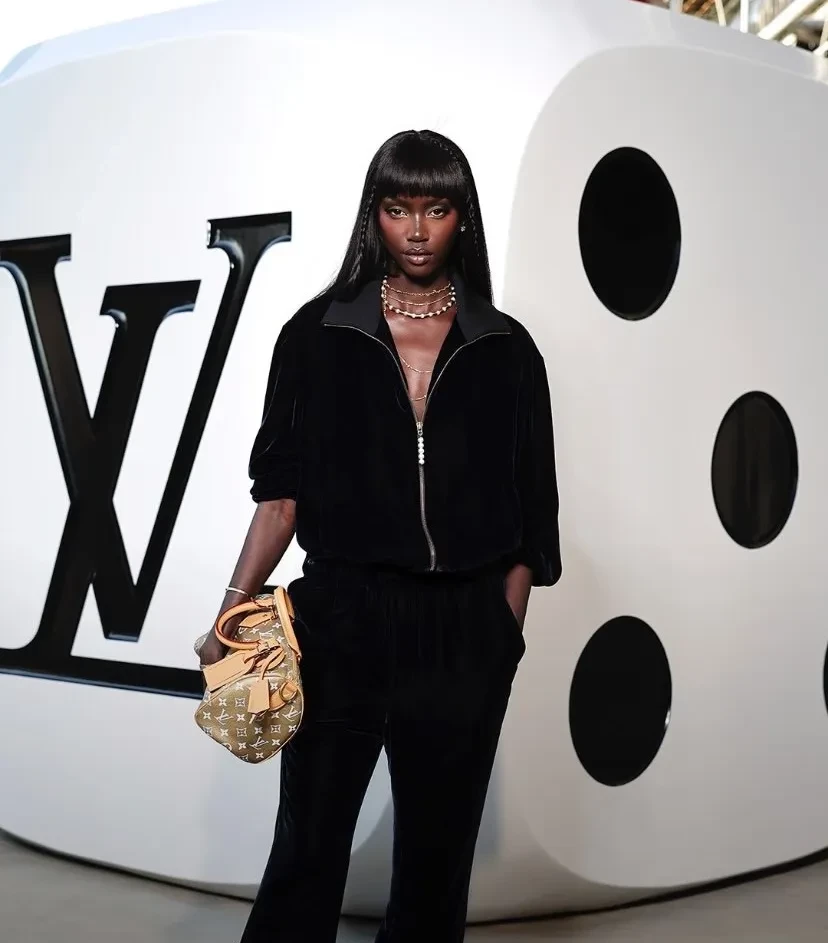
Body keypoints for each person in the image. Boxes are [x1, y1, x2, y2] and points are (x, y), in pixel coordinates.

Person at [197, 129, 562, 943]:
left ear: (462, 217)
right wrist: (230, 611)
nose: (418, 230)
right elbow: (280, 496)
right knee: (306, 850)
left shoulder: (507, 349)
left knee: (436, 866)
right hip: (342, 617)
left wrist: (500, 635)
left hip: (462, 629)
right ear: (375, 215)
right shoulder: (316, 334)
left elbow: (534, 515)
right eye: (399, 208)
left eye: (437, 209)